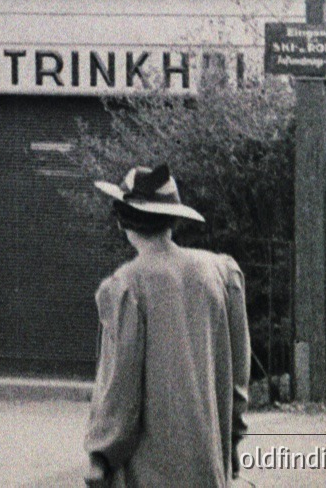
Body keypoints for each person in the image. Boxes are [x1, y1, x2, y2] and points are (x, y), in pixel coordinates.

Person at [84, 163, 250, 488]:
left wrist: (100, 455)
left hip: (150, 470)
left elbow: (119, 386)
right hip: (208, 465)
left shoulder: (127, 286)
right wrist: (232, 441)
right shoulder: (221, 273)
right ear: (173, 220)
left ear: (124, 222)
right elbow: (238, 376)